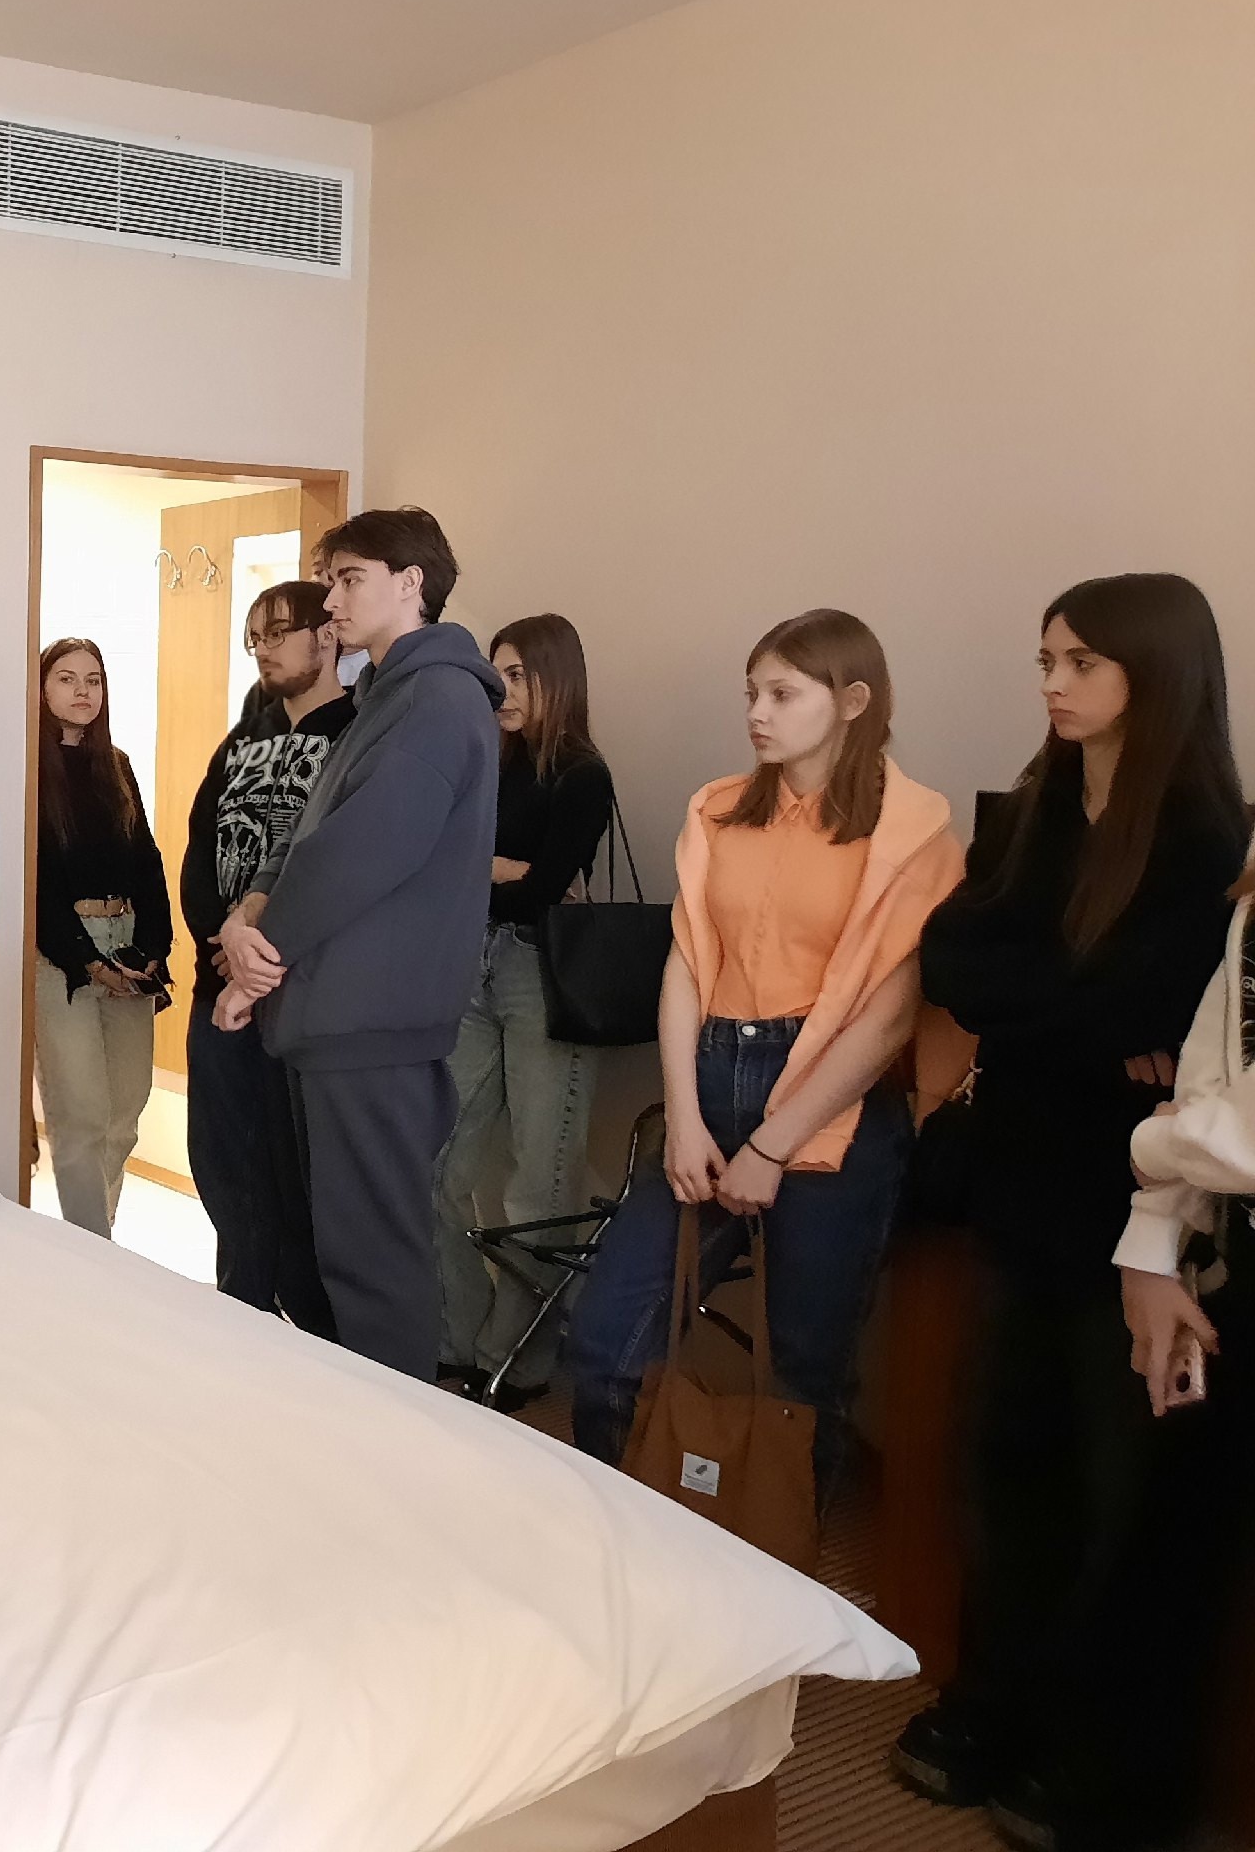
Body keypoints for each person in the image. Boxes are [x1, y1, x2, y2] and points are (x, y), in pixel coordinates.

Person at [890, 574, 1248, 1852]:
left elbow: (1161, 1004)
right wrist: (1090, 1021)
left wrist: (1062, 1009)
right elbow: (954, 958)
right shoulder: (1038, 805)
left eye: (1080, 661)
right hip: (1026, 1186)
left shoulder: (1207, 835)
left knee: (1125, 1498)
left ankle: (1099, 1758)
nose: (1051, 683)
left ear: (1154, 672)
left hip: (1143, 1207)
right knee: (1010, 1464)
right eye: (1046, 657)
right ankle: (996, 1705)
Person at [564, 609, 960, 1478]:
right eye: (752, 692)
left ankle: (777, 1557)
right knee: (605, 1341)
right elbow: (686, 966)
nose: (756, 712)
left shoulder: (913, 834)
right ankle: (620, 1530)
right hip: (711, 1081)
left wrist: (775, 1145)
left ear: (853, 701)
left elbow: (891, 1017)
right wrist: (685, 1121)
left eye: (782, 694)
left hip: (833, 1108)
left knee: (804, 1374)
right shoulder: (719, 811)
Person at [214, 508, 504, 1380]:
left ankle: (396, 1448)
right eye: (330, 580)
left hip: (372, 1021)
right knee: (348, 1257)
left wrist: (255, 963)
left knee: (373, 1266)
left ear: (411, 583)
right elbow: (310, 834)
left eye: (349, 580)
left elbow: (359, 852)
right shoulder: (390, 695)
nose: (332, 601)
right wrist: (252, 910)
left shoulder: (438, 697)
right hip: (344, 1016)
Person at [434, 614, 616, 1405]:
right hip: (470, 961)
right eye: (496, 673)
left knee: (540, 1183)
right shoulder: (489, 761)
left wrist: (497, 869)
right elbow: (447, 863)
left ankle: (516, 1360)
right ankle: (457, 1339)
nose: (501, 690)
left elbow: (543, 888)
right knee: (434, 1162)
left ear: (555, 679)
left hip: (543, 972)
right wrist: (500, 867)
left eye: (517, 675)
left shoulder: (582, 774)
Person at [1116, 833, 1255, 1851]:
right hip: (1232, 1260)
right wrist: (1152, 1246)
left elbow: (1200, 1126)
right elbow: (1210, 1070)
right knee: (1167, 1565)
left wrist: (1156, 1141)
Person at [181, 580, 351, 1330]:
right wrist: (219, 942)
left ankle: (308, 1329)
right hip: (216, 985)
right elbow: (198, 854)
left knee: (299, 1174)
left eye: (278, 632)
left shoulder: (356, 735)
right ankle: (239, 1310)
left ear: (327, 635)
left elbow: (335, 871)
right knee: (224, 1162)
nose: (263, 650)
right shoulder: (240, 741)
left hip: (299, 993)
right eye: (255, 637)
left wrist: (261, 955)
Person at [34, 637, 169, 1239]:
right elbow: (37, 882)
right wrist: (89, 962)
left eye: (93, 680)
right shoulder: (30, 767)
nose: (82, 691)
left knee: (126, 1111)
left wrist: (154, 950)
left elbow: (146, 859)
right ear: (42, 688)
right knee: (81, 1114)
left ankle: (97, 1235)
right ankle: (88, 1248)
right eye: (66, 679)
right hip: (62, 953)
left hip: (129, 942)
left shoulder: (116, 765)